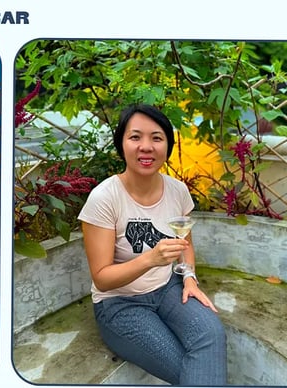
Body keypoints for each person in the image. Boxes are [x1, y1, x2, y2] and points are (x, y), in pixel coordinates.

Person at [77, 103, 227, 385]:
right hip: (120, 304)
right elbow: (102, 279)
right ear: (121, 144)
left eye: (156, 138)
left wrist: (190, 279)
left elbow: (186, 243)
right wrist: (150, 259)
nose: (146, 147)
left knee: (212, 335)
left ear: (167, 145)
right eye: (135, 137)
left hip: (169, 289)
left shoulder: (177, 190)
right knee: (189, 367)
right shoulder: (104, 198)